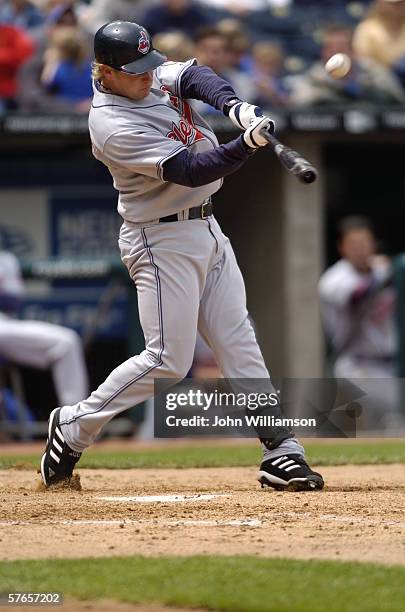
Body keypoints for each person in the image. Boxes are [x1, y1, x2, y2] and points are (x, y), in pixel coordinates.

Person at [40, 20, 324, 492]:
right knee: (167, 360)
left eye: (149, 66)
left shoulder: (144, 73)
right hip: (159, 239)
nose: (148, 77)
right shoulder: (110, 123)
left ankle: (281, 451)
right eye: (135, 71)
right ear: (106, 73)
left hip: (207, 227)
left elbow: (195, 76)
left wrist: (235, 107)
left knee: (238, 340)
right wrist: (246, 144)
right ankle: (73, 426)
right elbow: (190, 170)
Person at [319, 217, 398, 427]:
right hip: (356, 364)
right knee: (395, 409)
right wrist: (388, 274)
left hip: (389, 364)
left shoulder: (382, 270)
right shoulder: (335, 279)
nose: (361, 250)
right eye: (354, 245)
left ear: (373, 244)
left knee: (383, 425)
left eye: (365, 243)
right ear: (342, 248)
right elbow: (358, 296)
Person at [0, 250, 89, 410]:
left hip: (3, 326)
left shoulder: (5, 260)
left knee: (66, 342)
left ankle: (73, 420)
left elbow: (13, 302)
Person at [289, 23, 405, 106]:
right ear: (323, 52)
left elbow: (397, 98)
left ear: (352, 51)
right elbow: (298, 102)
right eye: (330, 48)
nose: (335, 53)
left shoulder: (372, 70)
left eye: (341, 48)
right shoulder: (315, 76)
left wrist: (367, 92)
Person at [353, 0, 405, 84]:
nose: (398, 7)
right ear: (380, 3)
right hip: (381, 82)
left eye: (401, 3)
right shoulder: (366, 29)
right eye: (393, 4)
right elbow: (365, 64)